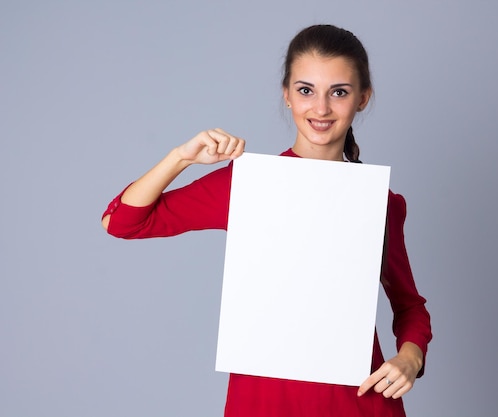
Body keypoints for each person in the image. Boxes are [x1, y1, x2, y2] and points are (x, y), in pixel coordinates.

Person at [102, 24, 432, 417]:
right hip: (264, 402)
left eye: (338, 92)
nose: (321, 108)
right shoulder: (247, 184)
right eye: (306, 90)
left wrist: (410, 357)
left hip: (357, 400)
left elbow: (409, 305)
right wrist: (181, 158)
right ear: (287, 96)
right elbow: (122, 222)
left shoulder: (380, 201)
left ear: (362, 99)